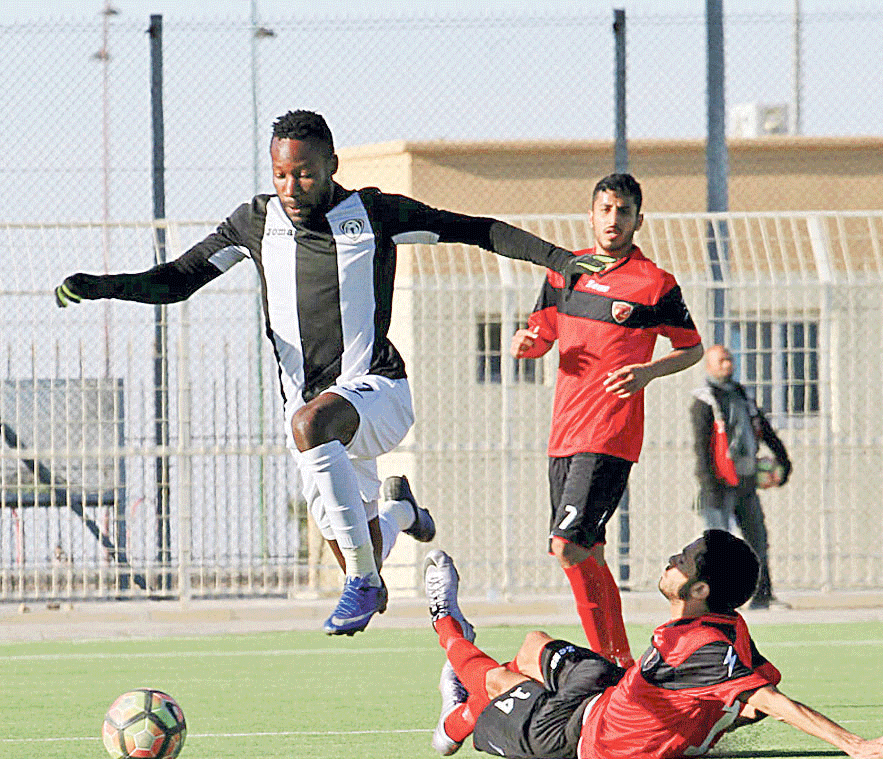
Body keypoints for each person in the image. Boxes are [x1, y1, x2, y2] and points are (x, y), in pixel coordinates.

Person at [54, 109, 611, 637]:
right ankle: (398, 513)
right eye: (280, 174)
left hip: (376, 394)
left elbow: (477, 229)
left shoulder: (375, 213)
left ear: (331, 167)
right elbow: (178, 280)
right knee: (355, 531)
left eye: (304, 174)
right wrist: (104, 286)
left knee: (318, 449)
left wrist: (559, 261)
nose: (291, 188)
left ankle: (363, 581)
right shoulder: (255, 222)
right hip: (309, 413)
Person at [423, 533, 883, 759]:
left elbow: (771, 701)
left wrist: (856, 745)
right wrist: (714, 719)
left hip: (577, 737)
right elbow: (757, 690)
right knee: (534, 645)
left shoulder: (703, 645)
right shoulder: (724, 626)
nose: (671, 558)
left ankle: (448, 637)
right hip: (605, 694)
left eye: (683, 560)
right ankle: (468, 700)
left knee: (494, 681)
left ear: (699, 590)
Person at [510, 173, 703, 668]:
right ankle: (616, 663)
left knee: (566, 546)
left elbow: (691, 348)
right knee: (584, 553)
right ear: (591, 215)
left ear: (639, 220)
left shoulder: (655, 284)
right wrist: (529, 344)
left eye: (622, 211)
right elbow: (542, 332)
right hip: (563, 433)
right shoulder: (565, 273)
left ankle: (610, 660)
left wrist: (648, 372)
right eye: (605, 209)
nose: (612, 219)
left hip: (610, 435)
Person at [691, 344, 792, 609]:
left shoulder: (742, 395)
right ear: (709, 365)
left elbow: (764, 429)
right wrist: (709, 484)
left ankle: (762, 595)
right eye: (721, 361)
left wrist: (783, 459)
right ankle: (716, 601)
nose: (728, 365)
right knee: (717, 545)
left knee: (757, 539)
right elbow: (702, 448)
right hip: (718, 484)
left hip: (745, 482)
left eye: (730, 360)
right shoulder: (704, 400)